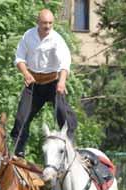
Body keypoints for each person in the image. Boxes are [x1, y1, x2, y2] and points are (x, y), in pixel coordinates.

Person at [11, 9, 77, 158]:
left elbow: (65, 62)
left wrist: (62, 81)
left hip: (53, 83)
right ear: (38, 22)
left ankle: (69, 145)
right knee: (22, 116)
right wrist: (26, 74)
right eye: (44, 23)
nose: (47, 26)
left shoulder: (57, 39)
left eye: (50, 23)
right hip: (33, 83)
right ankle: (18, 151)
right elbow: (19, 58)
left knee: (63, 113)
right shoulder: (28, 36)